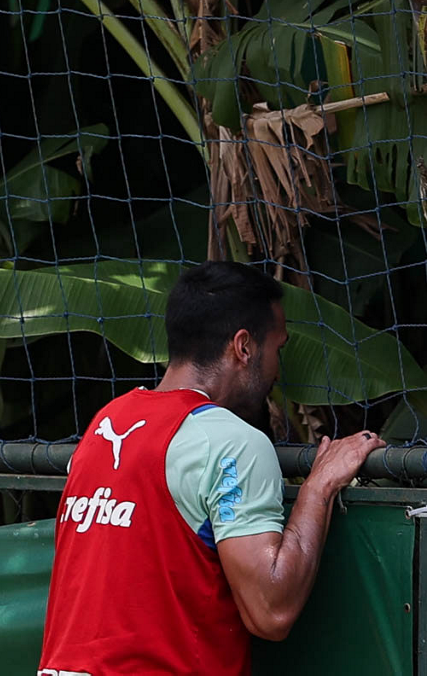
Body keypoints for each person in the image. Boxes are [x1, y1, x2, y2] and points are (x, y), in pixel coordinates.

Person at [37, 261, 385, 676]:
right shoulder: (230, 441)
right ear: (244, 347)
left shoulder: (104, 425)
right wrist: (319, 487)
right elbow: (270, 610)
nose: (277, 370)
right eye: (278, 349)